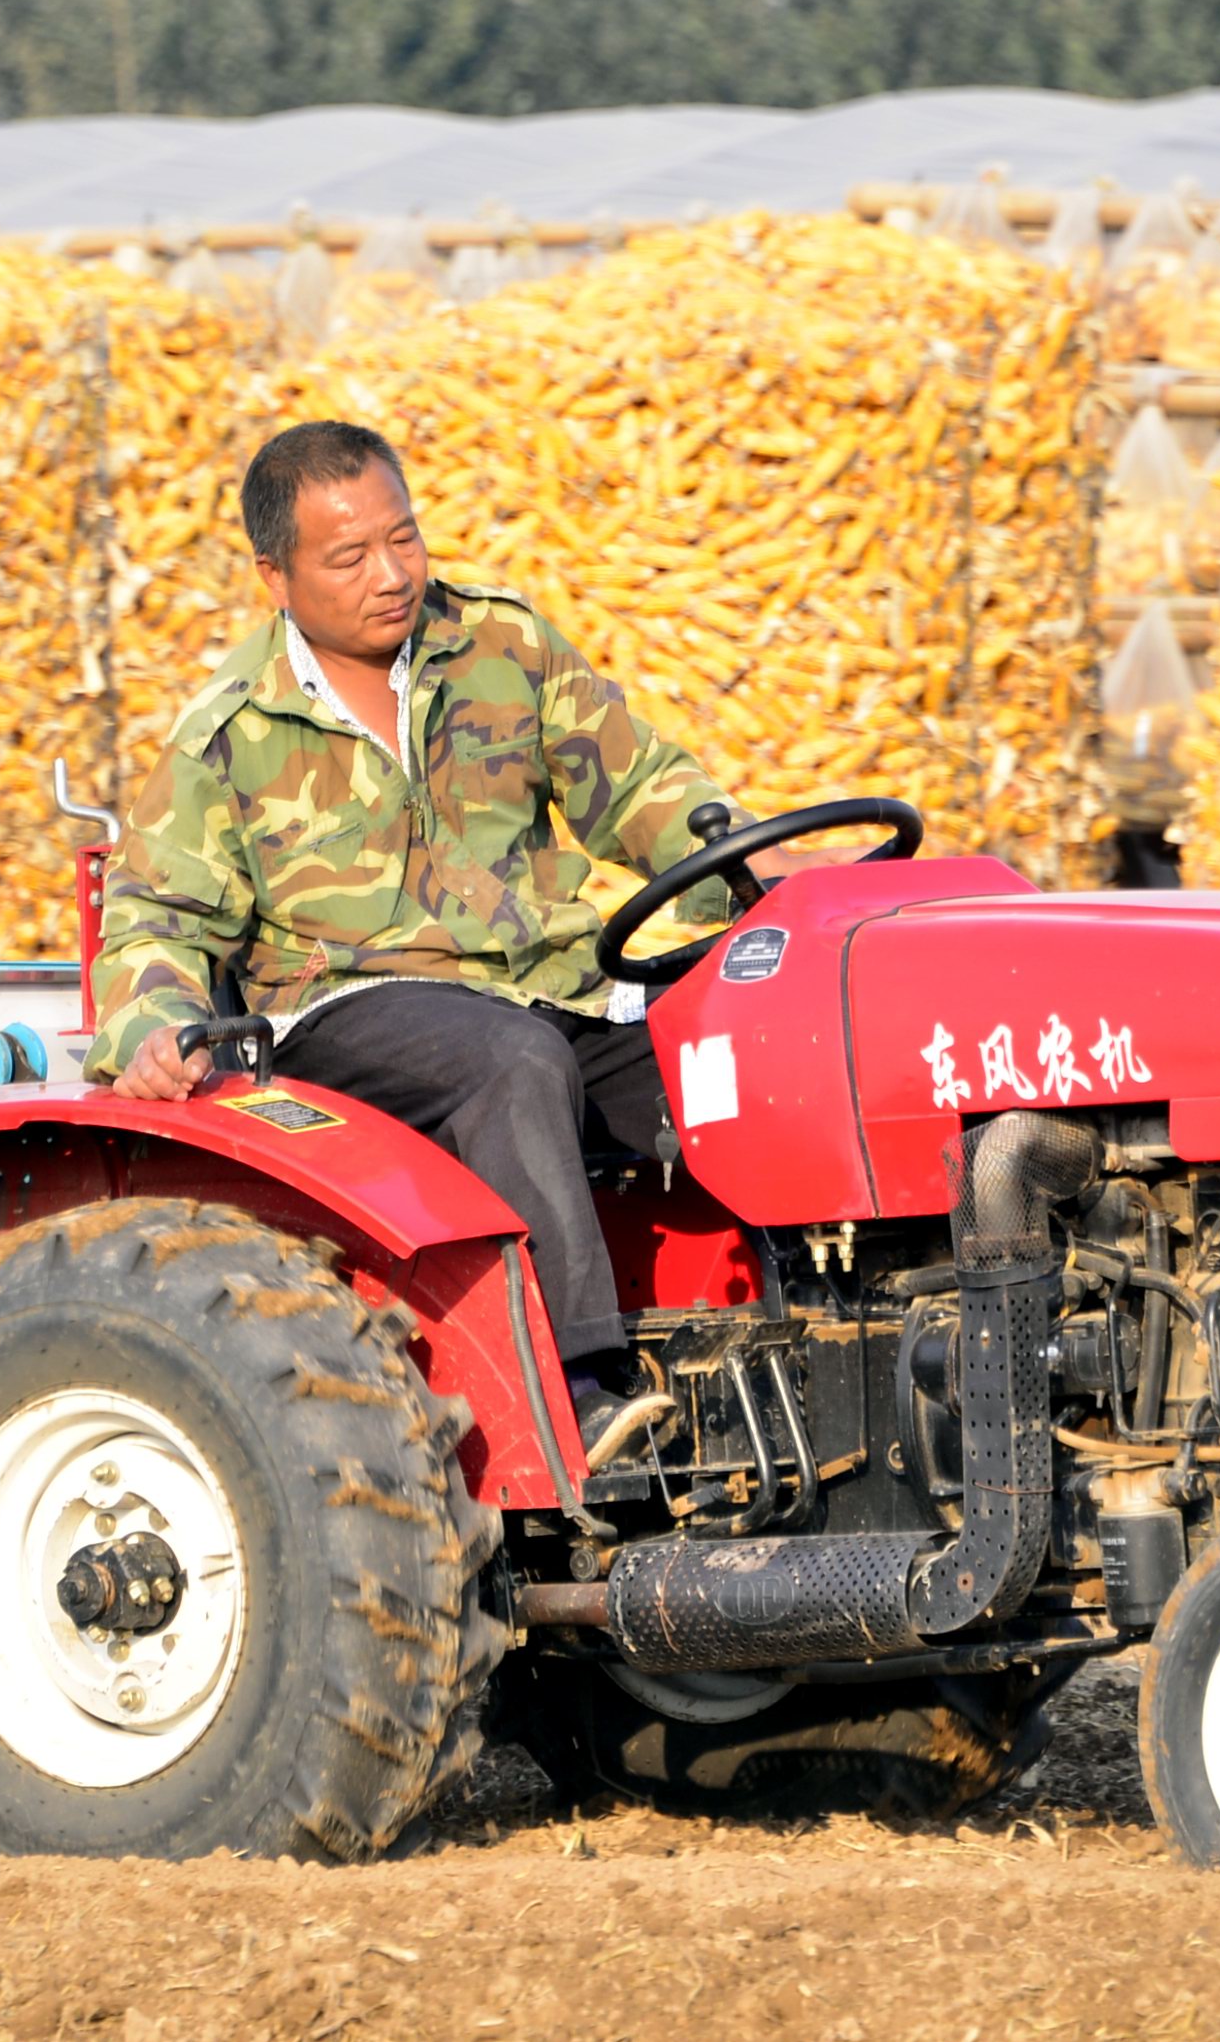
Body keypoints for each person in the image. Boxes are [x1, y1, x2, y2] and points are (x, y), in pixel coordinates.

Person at [87, 418, 749, 1444]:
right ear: (277, 576)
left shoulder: (503, 647)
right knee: (512, 1063)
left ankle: (799, 1337)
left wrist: (751, 872)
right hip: (349, 1008)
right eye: (349, 556)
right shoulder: (227, 735)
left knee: (742, 1038)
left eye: (405, 538)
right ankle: (582, 1393)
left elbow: (643, 788)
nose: (390, 574)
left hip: (548, 981)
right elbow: (157, 919)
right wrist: (152, 1029)